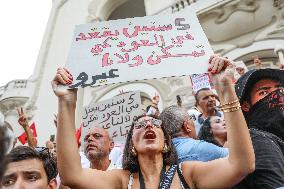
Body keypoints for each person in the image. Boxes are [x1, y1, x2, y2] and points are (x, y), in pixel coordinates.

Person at [51, 54, 255, 189]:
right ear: (131, 145)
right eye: (139, 125)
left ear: (166, 141)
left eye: (156, 124)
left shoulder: (189, 173)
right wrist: (66, 102)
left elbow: (242, 165)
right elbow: (71, 175)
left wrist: (226, 89)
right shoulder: (120, 181)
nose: (148, 125)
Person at [231, 68, 284, 189]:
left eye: (280, 89)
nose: (278, 95)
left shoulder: (274, 135)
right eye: (264, 92)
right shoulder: (258, 140)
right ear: (246, 106)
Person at [159, 105, 228, 162]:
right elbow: (235, 158)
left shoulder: (161, 155)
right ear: (186, 126)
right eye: (191, 118)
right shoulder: (200, 148)